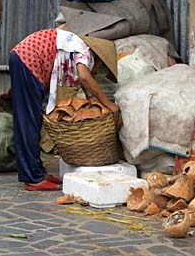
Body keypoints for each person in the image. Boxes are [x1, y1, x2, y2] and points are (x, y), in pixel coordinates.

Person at [9, 26, 119, 191]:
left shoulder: (76, 47)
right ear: (99, 60)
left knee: (33, 121)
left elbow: (88, 88)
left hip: (26, 60)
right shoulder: (83, 50)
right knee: (27, 121)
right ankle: (33, 178)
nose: (96, 72)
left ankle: (37, 171)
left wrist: (95, 105)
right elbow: (84, 77)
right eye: (99, 69)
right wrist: (109, 104)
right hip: (27, 60)